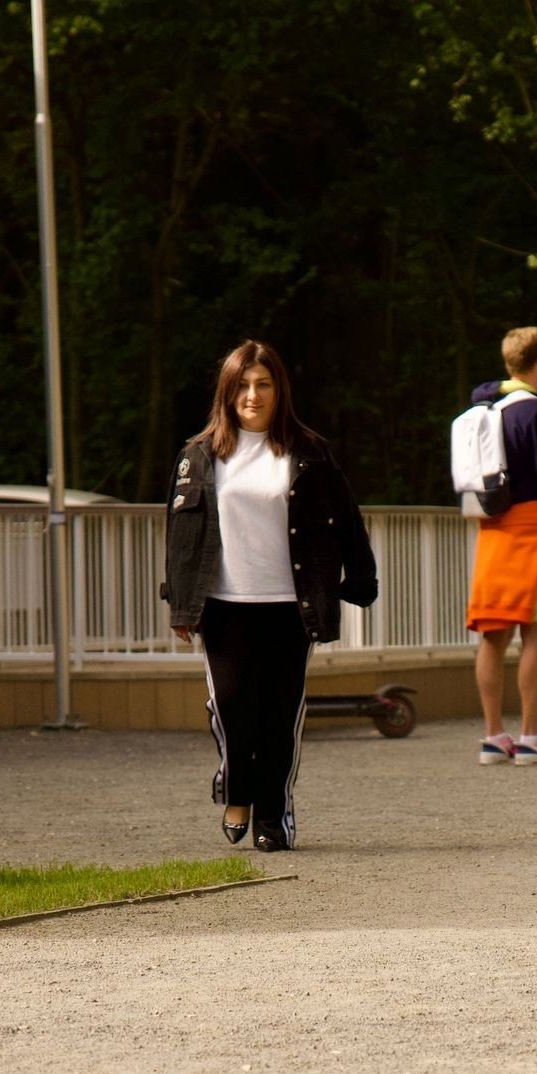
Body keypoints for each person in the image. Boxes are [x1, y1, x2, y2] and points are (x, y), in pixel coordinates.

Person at [161, 340, 377, 851]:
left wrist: (359, 578)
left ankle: (273, 817)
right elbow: (180, 535)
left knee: (280, 717)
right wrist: (180, 604)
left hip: (289, 605)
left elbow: (347, 520)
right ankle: (237, 790)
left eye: (263, 384)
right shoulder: (199, 455)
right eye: (242, 385)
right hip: (223, 606)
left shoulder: (310, 452)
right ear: (227, 392)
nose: (252, 395)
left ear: (280, 390)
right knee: (232, 707)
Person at [464, 326, 537, 764]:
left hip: (492, 527)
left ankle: (494, 737)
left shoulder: (485, 407)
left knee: (493, 637)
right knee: (535, 633)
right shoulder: (535, 412)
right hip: (534, 527)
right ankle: (530, 737)